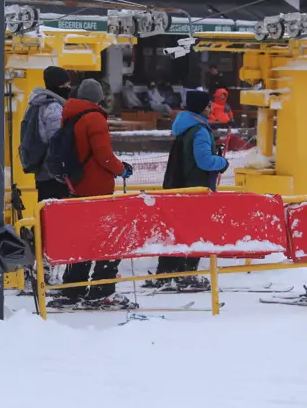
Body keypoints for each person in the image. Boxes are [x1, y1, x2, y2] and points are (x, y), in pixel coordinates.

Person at [50, 79, 134, 310]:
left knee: (82, 240)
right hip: (97, 188)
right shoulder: (94, 118)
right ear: (99, 97)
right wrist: (121, 169)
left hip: (77, 186)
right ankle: (102, 291)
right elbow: (103, 155)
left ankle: (73, 289)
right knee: (109, 239)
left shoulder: (71, 115)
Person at [148, 90, 229, 292]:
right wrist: (222, 162)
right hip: (196, 189)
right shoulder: (200, 130)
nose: (211, 108)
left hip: (180, 186)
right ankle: (187, 274)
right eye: (208, 105)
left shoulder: (184, 126)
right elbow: (204, 161)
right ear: (201, 107)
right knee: (195, 232)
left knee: (176, 230)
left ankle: (166, 273)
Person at [24, 65, 71, 202]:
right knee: (57, 211)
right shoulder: (53, 108)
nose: (69, 87)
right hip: (53, 174)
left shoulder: (36, 105)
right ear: (59, 85)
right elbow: (57, 141)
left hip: (42, 170)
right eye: (66, 84)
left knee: (45, 208)